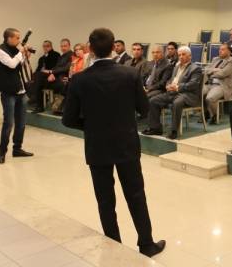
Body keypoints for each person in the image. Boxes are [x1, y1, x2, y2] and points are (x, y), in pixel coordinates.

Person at [62, 28, 165, 258]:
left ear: (90, 49)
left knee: (105, 199)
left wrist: (91, 127)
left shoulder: (79, 79)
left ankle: (114, 245)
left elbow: (68, 119)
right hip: (126, 142)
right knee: (136, 194)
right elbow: (144, 109)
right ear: (113, 48)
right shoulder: (130, 74)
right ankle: (146, 244)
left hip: (97, 146)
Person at [0, 28, 35, 164]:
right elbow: (12, 64)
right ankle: (2, 152)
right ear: (9, 38)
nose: (19, 40)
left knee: (21, 123)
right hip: (8, 92)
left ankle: (17, 149)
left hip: (21, 91)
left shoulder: (15, 50)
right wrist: (21, 51)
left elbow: (19, 65)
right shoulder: (0, 51)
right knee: (8, 123)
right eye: (17, 38)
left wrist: (26, 55)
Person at [143, 46, 202, 139]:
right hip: (173, 93)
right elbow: (171, 79)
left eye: (183, 54)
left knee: (176, 103)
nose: (181, 57)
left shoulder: (195, 68)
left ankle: (174, 131)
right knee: (153, 101)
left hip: (188, 95)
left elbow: (193, 84)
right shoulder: (176, 67)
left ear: (190, 56)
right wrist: (168, 85)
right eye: (179, 55)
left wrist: (177, 87)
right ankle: (155, 128)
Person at [31, 38, 73, 113]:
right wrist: (52, 74)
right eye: (61, 46)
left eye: (65, 46)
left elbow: (66, 68)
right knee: (38, 77)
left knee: (38, 78)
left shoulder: (71, 55)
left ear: (69, 46)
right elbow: (56, 67)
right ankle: (38, 104)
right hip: (56, 77)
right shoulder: (62, 56)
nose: (63, 48)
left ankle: (38, 104)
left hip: (62, 79)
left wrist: (51, 72)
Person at [203, 43, 232, 124]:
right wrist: (215, 70)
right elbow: (206, 70)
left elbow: (222, 74)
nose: (220, 51)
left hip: (222, 85)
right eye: (219, 49)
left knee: (210, 98)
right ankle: (206, 113)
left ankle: (214, 115)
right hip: (209, 83)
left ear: (229, 51)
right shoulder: (215, 59)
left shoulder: (231, 61)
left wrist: (212, 72)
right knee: (199, 93)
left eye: (223, 49)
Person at [26, 40, 60, 108]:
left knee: (38, 76)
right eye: (44, 46)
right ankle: (35, 98)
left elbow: (56, 68)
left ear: (51, 47)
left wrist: (47, 71)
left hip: (50, 76)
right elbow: (38, 69)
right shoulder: (41, 58)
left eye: (47, 46)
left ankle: (36, 100)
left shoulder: (56, 55)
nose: (45, 48)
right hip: (41, 77)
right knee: (28, 82)